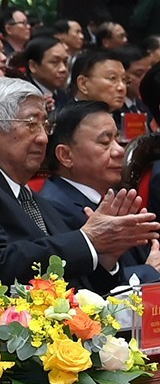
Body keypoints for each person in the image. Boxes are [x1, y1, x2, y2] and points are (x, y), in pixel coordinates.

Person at [0, 77, 158, 297]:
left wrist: (106, 258)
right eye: (31, 124)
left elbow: (75, 281)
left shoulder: (26, 192)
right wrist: (89, 240)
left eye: (44, 125)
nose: (43, 138)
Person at [37, 99, 160, 284]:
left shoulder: (113, 196)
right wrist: (148, 272)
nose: (119, 151)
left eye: (117, 139)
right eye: (105, 142)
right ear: (65, 155)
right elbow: (80, 286)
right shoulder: (55, 207)